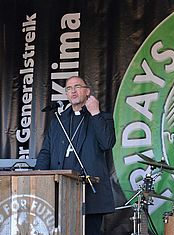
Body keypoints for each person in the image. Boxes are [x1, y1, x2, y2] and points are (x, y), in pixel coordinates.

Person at [35, 76, 116, 235]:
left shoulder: (101, 117)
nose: (72, 91)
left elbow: (107, 144)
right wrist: (39, 177)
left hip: (90, 194)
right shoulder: (59, 120)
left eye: (77, 86)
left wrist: (95, 113)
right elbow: (46, 151)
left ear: (87, 91)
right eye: (68, 88)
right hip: (60, 192)